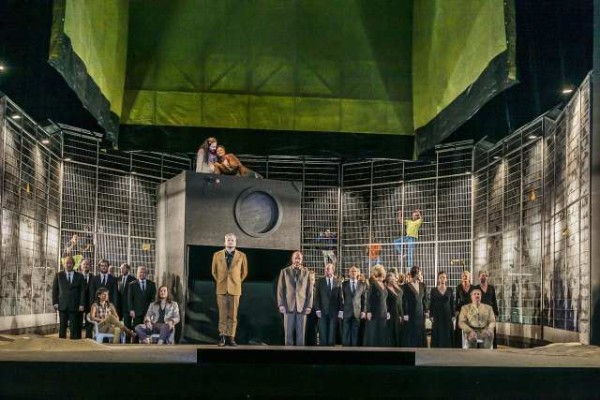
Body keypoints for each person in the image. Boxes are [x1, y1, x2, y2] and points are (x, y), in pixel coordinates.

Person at [211, 233, 248, 347]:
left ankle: (231, 337)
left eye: (232, 240)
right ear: (225, 242)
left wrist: (236, 282)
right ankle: (222, 336)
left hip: (235, 289)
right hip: (221, 288)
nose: (230, 242)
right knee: (222, 314)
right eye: (228, 240)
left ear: (235, 242)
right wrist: (221, 281)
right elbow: (214, 271)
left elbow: (244, 272)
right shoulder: (217, 255)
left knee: (233, 315)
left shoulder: (242, 255)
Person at [277, 251, 314, 346]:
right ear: (292, 259)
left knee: (301, 334)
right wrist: (281, 304)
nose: (297, 260)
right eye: (295, 258)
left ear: (302, 260)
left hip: (302, 306)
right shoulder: (284, 271)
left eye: (299, 258)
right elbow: (280, 289)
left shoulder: (307, 273)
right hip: (288, 306)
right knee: (288, 333)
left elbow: (310, 291)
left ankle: (300, 352)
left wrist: (309, 306)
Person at [52, 256, 85, 339]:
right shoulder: (58, 275)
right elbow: (55, 290)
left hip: (75, 305)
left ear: (73, 264)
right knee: (62, 327)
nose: (69, 265)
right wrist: (55, 302)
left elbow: (82, 291)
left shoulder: (80, 276)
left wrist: (81, 304)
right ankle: (61, 343)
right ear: (64, 264)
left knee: (74, 327)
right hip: (62, 305)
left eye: (70, 263)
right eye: (67, 263)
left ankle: (73, 344)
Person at [314, 263, 342, 346]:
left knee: (332, 334)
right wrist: (317, 309)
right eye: (325, 269)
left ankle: (331, 350)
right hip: (322, 312)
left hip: (334, 312)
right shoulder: (320, 281)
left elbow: (340, 297)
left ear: (333, 270)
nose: (326, 270)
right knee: (323, 334)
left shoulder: (338, 281)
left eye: (328, 269)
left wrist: (341, 310)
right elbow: (317, 297)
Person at [340, 265, 367, 346]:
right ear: (349, 273)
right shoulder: (343, 284)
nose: (353, 273)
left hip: (357, 312)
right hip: (346, 312)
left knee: (356, 333)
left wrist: (363, 311)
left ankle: (354, 350)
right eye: (351, 271)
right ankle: (346, 350)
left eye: (355, 271)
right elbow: (341, 299)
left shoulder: (362, 285)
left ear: (358, 273)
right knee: (346, 332)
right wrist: (341, 311)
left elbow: (364, 299)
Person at [402, 266, 428, 347]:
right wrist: (405, 313)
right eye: (420, 273)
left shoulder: (423, 285)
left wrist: (426, 310)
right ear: (416, 274)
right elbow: (404, 301)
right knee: (412, 332)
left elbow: (425, 299)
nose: (421, 275)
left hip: (420, 313)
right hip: (411, 314)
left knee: (421, 331)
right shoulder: (406, 286)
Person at [364, 265, 389, 347]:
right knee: (374, 332)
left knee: (382, 332)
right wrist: (368, 311)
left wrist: (387, 311)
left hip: (383, 312)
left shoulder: (383, 284)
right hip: (375, 312)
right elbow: (369, 298)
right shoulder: (373, 284)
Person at [128, 266, 157, 336]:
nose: (142, 274)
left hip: (148, 312)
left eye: (144, 272)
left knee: (148, 330)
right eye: (140, 272)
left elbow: (153, 299)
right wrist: (131, 310)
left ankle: (147, 341)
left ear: (146, 274)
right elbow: (130, 298)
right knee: (136, 330)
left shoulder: (152, 284)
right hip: (136, 312)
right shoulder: (132, 284)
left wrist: (153, 310)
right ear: (137, 273)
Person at [475, 269, 499, 348]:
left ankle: (492, 348)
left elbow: (494, 300)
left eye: (485, 276)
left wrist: (496, 313)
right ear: (479, 277)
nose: (484, 277)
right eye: (482, 276)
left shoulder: (491, 288)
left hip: (490, 314)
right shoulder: (476, 288)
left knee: (491, 332)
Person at [429, 271, 454, 348]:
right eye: (440, 277)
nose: (442, 279)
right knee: (437, 332)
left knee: (447, 332)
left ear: (446, 279)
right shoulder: (433, 290)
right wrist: (431, 315)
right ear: (438, 279)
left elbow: (452, 303)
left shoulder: (450, 290)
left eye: (444, 277)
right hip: (437, 315)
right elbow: (431, 304)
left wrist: (453, 315)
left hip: (447, 315)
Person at [454, 270, 474, 348]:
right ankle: (459, 346)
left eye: (466, 276)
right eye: (463, 276)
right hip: (461, 310)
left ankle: (470, 345)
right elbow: (456, 300)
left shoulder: (473, 287)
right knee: (459, 329)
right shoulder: (458, 287)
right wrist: (456, 310)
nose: (464, 277)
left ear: (469, 277)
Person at [385, 269, 404, 347]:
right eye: (391, 279)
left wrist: (401, 315)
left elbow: (400, 302)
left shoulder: (397, 288)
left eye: (394, 278)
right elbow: (385, 302)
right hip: (390, 314)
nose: (393, 280)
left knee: (398, 332)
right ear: (388, 279)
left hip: (398, 313)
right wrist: (387, 313)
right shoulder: (385, 289)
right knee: (391, 332)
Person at [118, 263, 136, 335]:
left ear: (128, 269)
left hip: (128, 307)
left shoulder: (133, 280)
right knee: (118, 325)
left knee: (127, 325)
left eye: (123, 268)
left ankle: (127, 340)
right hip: (119, 306)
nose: (121, 270)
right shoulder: (118, 279)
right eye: (120, 268)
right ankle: (119, 339)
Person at [79, 258, 93, 338]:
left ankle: (89, 338)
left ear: (90, 266)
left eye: (87, 264)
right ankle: (77, 339)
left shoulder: (93, 278)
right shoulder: (76, 276)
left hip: (89, 304)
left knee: (89, 323)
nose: (85, 266)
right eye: (84, 264)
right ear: (81, 266)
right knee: (78, 323)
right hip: (78, 304)